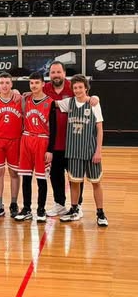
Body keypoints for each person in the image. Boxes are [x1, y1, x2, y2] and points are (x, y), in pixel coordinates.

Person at [57, 75, 107, 226]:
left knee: (96, 183)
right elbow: (50, 102)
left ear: (86, 88)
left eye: (80, 87)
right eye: (75, 87)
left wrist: (98, 151)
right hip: (74, 151)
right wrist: (28, 94)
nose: (78, 90)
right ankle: (74, 209)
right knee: (74, 182)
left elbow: (100, 129)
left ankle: (100, 213)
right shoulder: (69, 102)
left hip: (91, 151)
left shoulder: (93, 104)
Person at [44, 61, 84, 218]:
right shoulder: (45, 89)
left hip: (73, 142)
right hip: (54, 142)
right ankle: (59, 204)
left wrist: (94, 98)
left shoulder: (72, 87)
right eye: (53, 72)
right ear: (49, 74)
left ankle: (77, 205)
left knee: (75, 176)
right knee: (56, 175)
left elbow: (86, 98)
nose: (56, 75)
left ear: (64, 73)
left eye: (58, 72)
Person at [14, 72, 56, 222]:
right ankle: (26, 208)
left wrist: (50, 149)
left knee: (41, 179)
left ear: (43, 84)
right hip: (26, 139)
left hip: (42, 141)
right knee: (26, 177)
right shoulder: (25, 99)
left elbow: (54, 129)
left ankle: (41, 209)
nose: (34, 85)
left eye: (37, 83)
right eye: (31, 83)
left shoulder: (50, 102)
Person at [0, 73, 23, 219]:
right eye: (1, 83)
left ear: (12, 84)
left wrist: (18, 93)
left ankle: (14, 203)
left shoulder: (19, 99)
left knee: (14, 173)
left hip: (15, 140)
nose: (4, 85)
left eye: (7, 82)